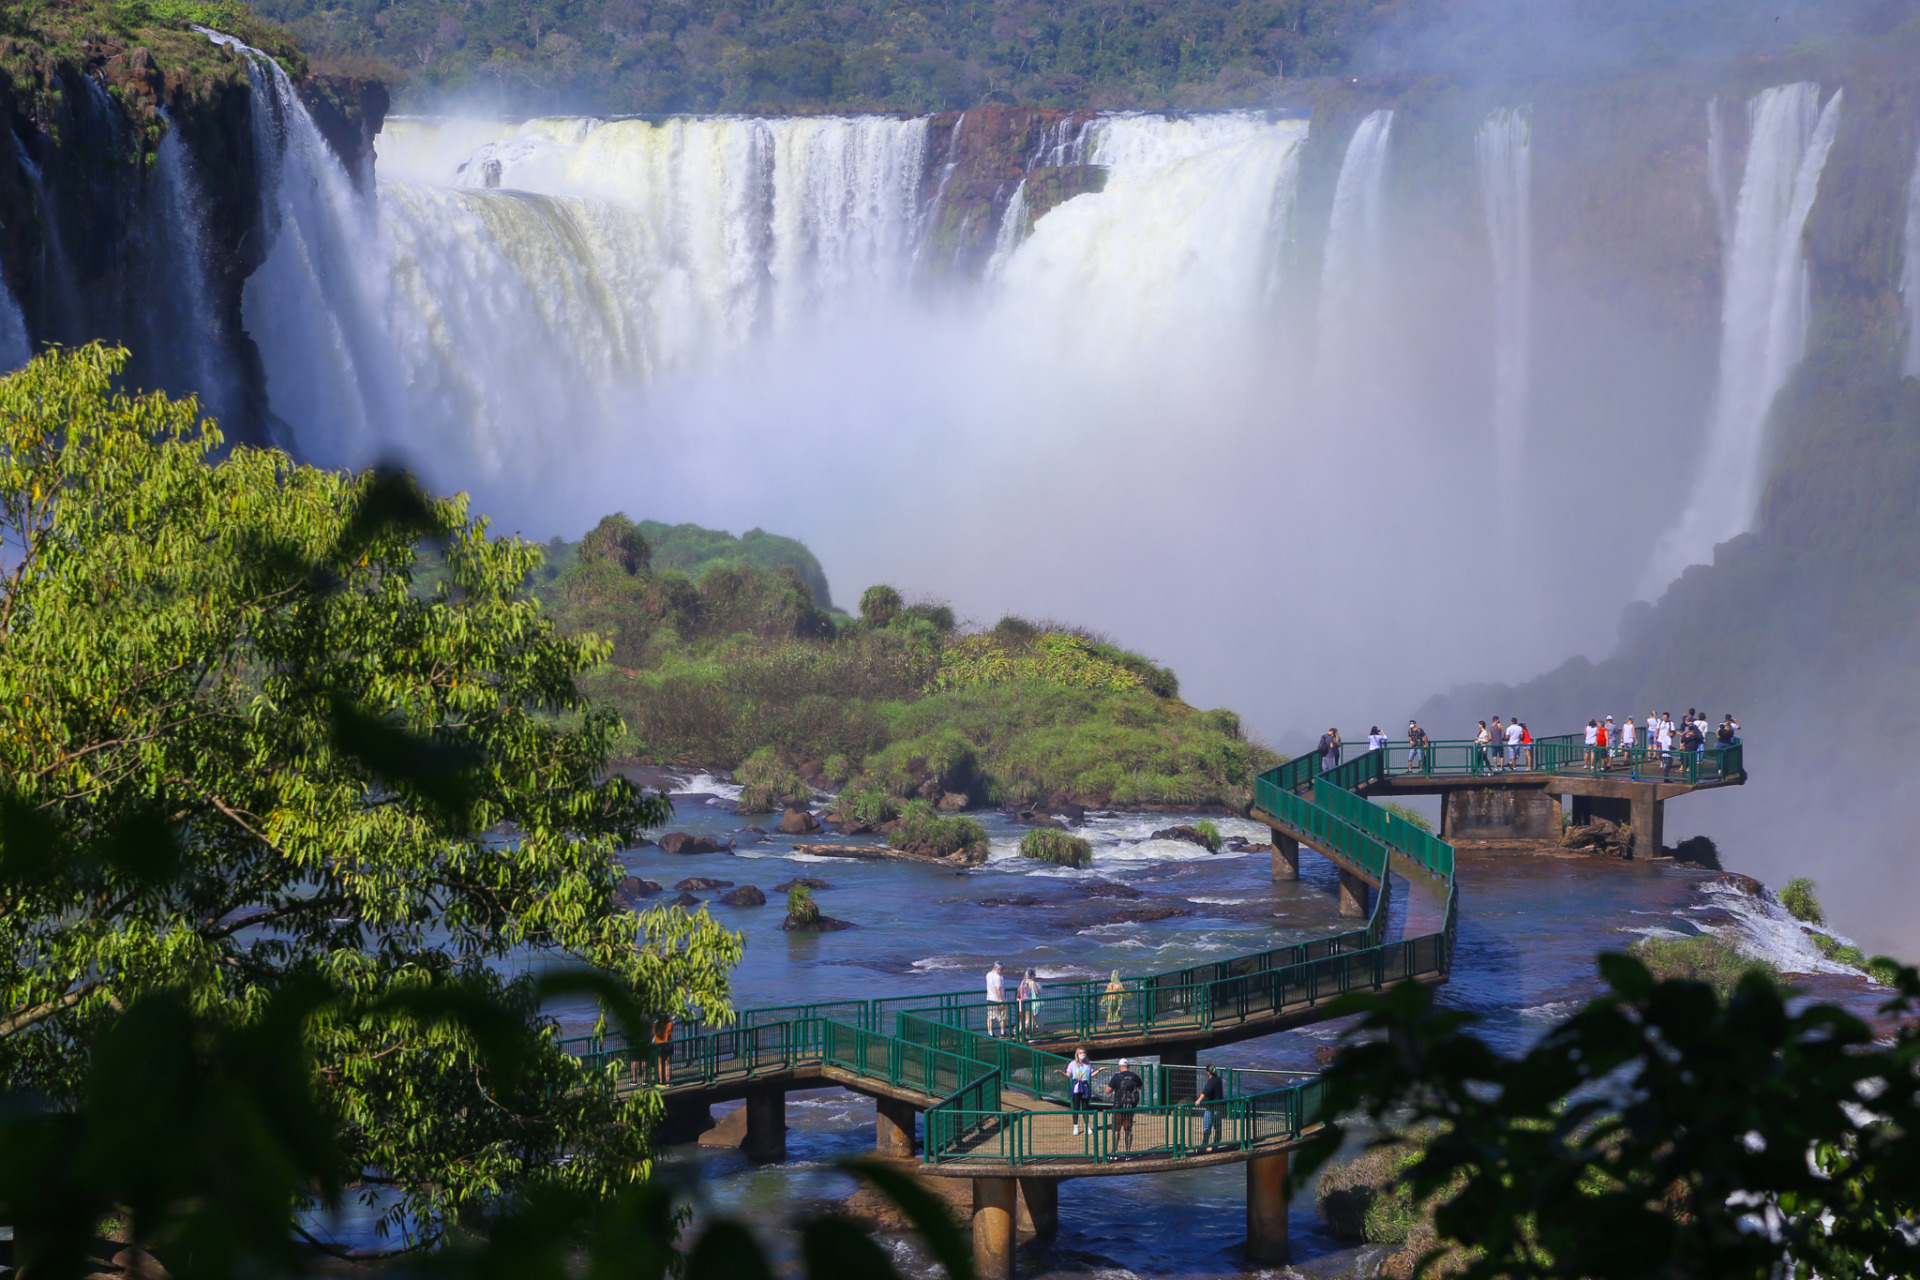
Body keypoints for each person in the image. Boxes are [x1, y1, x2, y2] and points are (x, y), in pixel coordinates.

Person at [1107, 1057, 1145, 1153]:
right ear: (1128, 1066)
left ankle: (1115, 1151)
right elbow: (1141, 1087)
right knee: (1128, 1129)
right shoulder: (1134, 1076)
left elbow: (1107, 1091)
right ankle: (1128, 1152)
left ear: (1119, 1066)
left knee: (1116, 1130)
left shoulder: (1116, 1076)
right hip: (1130, 1107)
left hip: (1118, 1106)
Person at [1061, 1046, 1095, 1135]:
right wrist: (1061, 1073)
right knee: (1076, 1107)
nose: (1082, 1054)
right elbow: (1068, 1075)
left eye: (1084, 1053)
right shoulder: (1072, 1064)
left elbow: (1090, 1075)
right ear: (1077, 1054)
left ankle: (1086, 1126)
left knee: (1085, 1108)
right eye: (1080, 1053)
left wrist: (1099, 1070)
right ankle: (1075, 1127)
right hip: (1076, 1086)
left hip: (1085, 1086)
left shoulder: (1088, 1064)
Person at [1194, 1064, 1225, 1147]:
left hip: (1211, 1108)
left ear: (1208, 1072)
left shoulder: (1211, 1081)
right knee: (1218, 1128)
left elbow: (1205, 1092)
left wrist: (1198, 1101)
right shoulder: (1218, 1079)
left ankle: (1204, 1145)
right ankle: (1216, 1145)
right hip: (1218, 1107)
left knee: (1207, 1127)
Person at [986, 961, 1008, 1037]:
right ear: (999, 969)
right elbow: (997, 989)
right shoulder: (997, 977)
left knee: (990, 1017)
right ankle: (1002, 1032)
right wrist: (1001, 1000)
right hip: (997, 999)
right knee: (1002, 1017)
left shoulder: (988, 974)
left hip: (990, 998)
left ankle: (990, 1032)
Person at [1020, 967, 1044, 1035]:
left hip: (1024, 1001)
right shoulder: (1033, 983)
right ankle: (1029, 1033)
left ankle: (1024, 1031)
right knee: (1032, 1019)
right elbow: (1037, 992)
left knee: (1027, 1018)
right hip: (1032, 1002)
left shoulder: (1023, 982)